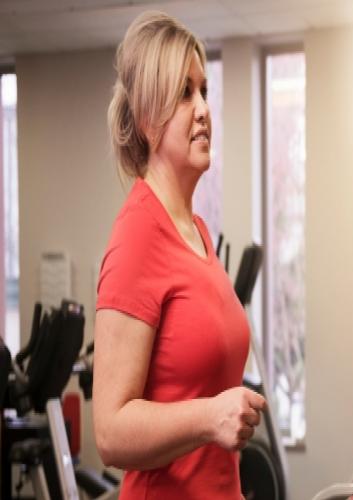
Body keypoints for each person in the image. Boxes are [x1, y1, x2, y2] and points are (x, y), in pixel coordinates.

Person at [92, 11, 266, 500]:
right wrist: (211, 417)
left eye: (204, 90)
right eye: (185, 94)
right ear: (149, 119)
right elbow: (109, 431)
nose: (204, 109)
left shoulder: (198, 232)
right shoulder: (137, 236)